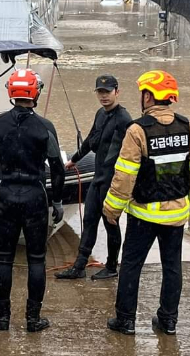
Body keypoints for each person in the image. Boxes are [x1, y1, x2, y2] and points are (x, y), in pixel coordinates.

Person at [104, 70, 190, 336]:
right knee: (172, 267)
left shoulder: (137, 130)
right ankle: (168, 320)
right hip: (176, 214)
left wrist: (112, 208)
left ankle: (126, 320)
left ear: (149, 96)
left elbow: (125, 175)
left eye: (143, 93)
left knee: (130, 265)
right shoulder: (188, 127)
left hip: (143, 215)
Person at [0, 68, 66, 332]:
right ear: (34, 92)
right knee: (36, 259)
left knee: (4, 258)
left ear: (11, 92)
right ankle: (33, 319)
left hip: (7, 194)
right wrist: (58, 201)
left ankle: (3, 318)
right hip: (35, 196)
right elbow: (57, 167)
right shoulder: (44, 127)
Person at [55, 74, 131, 280]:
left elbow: (133, 153)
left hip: (112, 181)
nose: (104, 96)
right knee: (89, 220)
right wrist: (74, 159)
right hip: (98, 178)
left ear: (117, 91)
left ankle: (112, 266)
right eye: (100, 92)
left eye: (107, 92)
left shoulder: (124, 119)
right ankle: (79, 266)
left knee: (111, 223)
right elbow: (90, 140)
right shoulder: (100, 113)